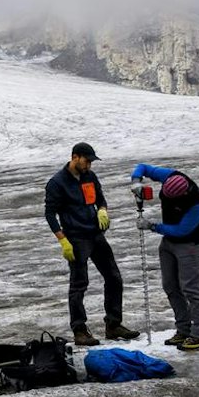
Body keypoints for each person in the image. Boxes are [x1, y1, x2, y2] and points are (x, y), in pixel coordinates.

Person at [43, 142, 140, 346]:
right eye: (87, 161)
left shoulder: (90, 177)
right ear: (75, 157)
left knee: (114, 278)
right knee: (79, 284)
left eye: (91, 162)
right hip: (76, 238)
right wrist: (63, 240)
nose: (89, 165)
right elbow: (50, 214)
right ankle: (79, 330)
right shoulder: (57, 183)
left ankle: (113, 325)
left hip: (96, 235)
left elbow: (100, 199)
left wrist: (102, 210)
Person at [131, 163, 199, 351]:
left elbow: (181, 230)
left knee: (191, 289)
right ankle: (183, 330)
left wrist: (152, 226)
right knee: (170, 286)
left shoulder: (198, 204)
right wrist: (136, 181)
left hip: (190, 245)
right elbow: (143, 167)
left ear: (182, 195)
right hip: (168, 243)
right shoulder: (170, 176)